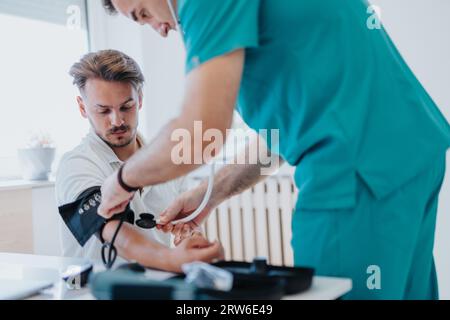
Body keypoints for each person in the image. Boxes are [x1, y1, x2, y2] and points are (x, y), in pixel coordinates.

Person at [98, 0, 450, 299]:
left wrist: (123, 179)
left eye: (142, 13)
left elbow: (201, 131)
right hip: (409, 159)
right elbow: (284, 134)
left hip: (356, 173)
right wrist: (209, 192)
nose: (159, 29)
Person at [56, 49, 223, 272]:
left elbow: (182, 228)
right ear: (82, 107)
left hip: (156, 286)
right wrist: (172, 260)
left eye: (126, 107)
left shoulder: (168, 160)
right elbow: (113, 231)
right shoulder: (76, 164)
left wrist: (187, 241)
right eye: (103, 111)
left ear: (140, 99)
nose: (117, 121)